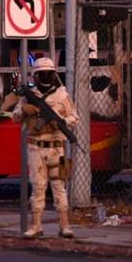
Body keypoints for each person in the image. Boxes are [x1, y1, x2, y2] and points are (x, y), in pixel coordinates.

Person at [12, 57, 78, 239]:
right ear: (36, 75)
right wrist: (25, 109)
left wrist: (62, 122)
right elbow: (15, 117)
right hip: (35, 147)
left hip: (58, 148)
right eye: (43, 73)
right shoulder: (29, 96)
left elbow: (74, 117)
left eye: (49, 73)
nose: (46, 76)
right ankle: (36, 226)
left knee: (60, 187)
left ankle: (65, 225)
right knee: (38, 187)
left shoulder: (62, 95)